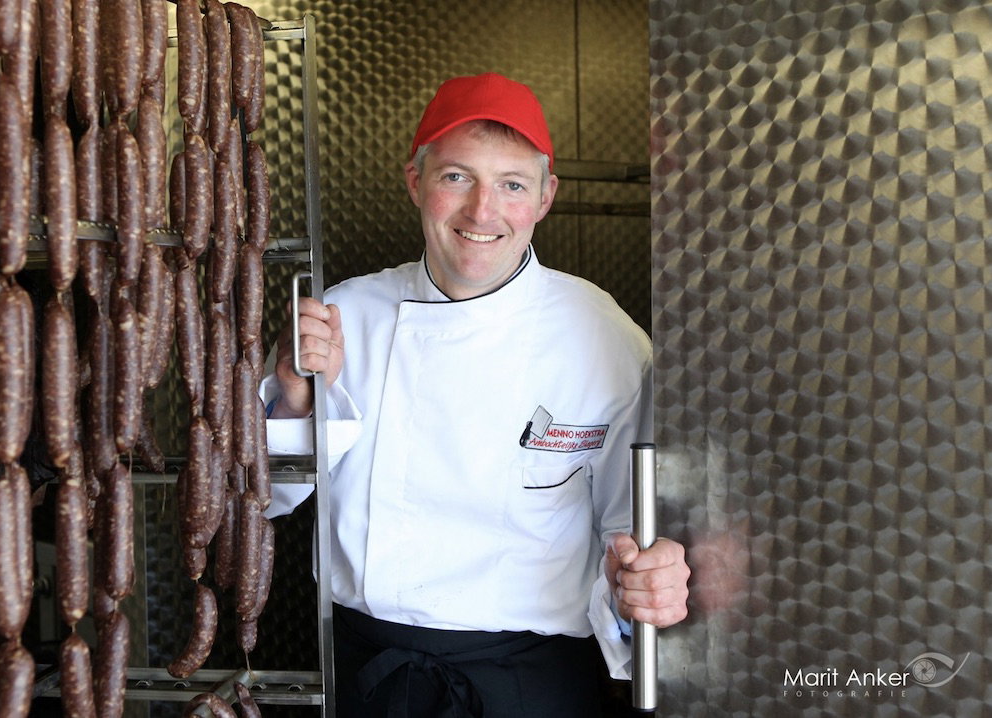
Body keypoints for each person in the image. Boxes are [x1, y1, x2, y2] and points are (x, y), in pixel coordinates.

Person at [261, 72, 690, 717]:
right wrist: (293, 399)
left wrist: (641, 587)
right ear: (415, 182)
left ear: (546, 197)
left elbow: (626, 532)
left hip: (535, 686)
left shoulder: (609, 340)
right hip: (373, 678)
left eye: (512, 185)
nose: (482, 211)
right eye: (456, 177)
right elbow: (259, 500)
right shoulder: (341, 318)